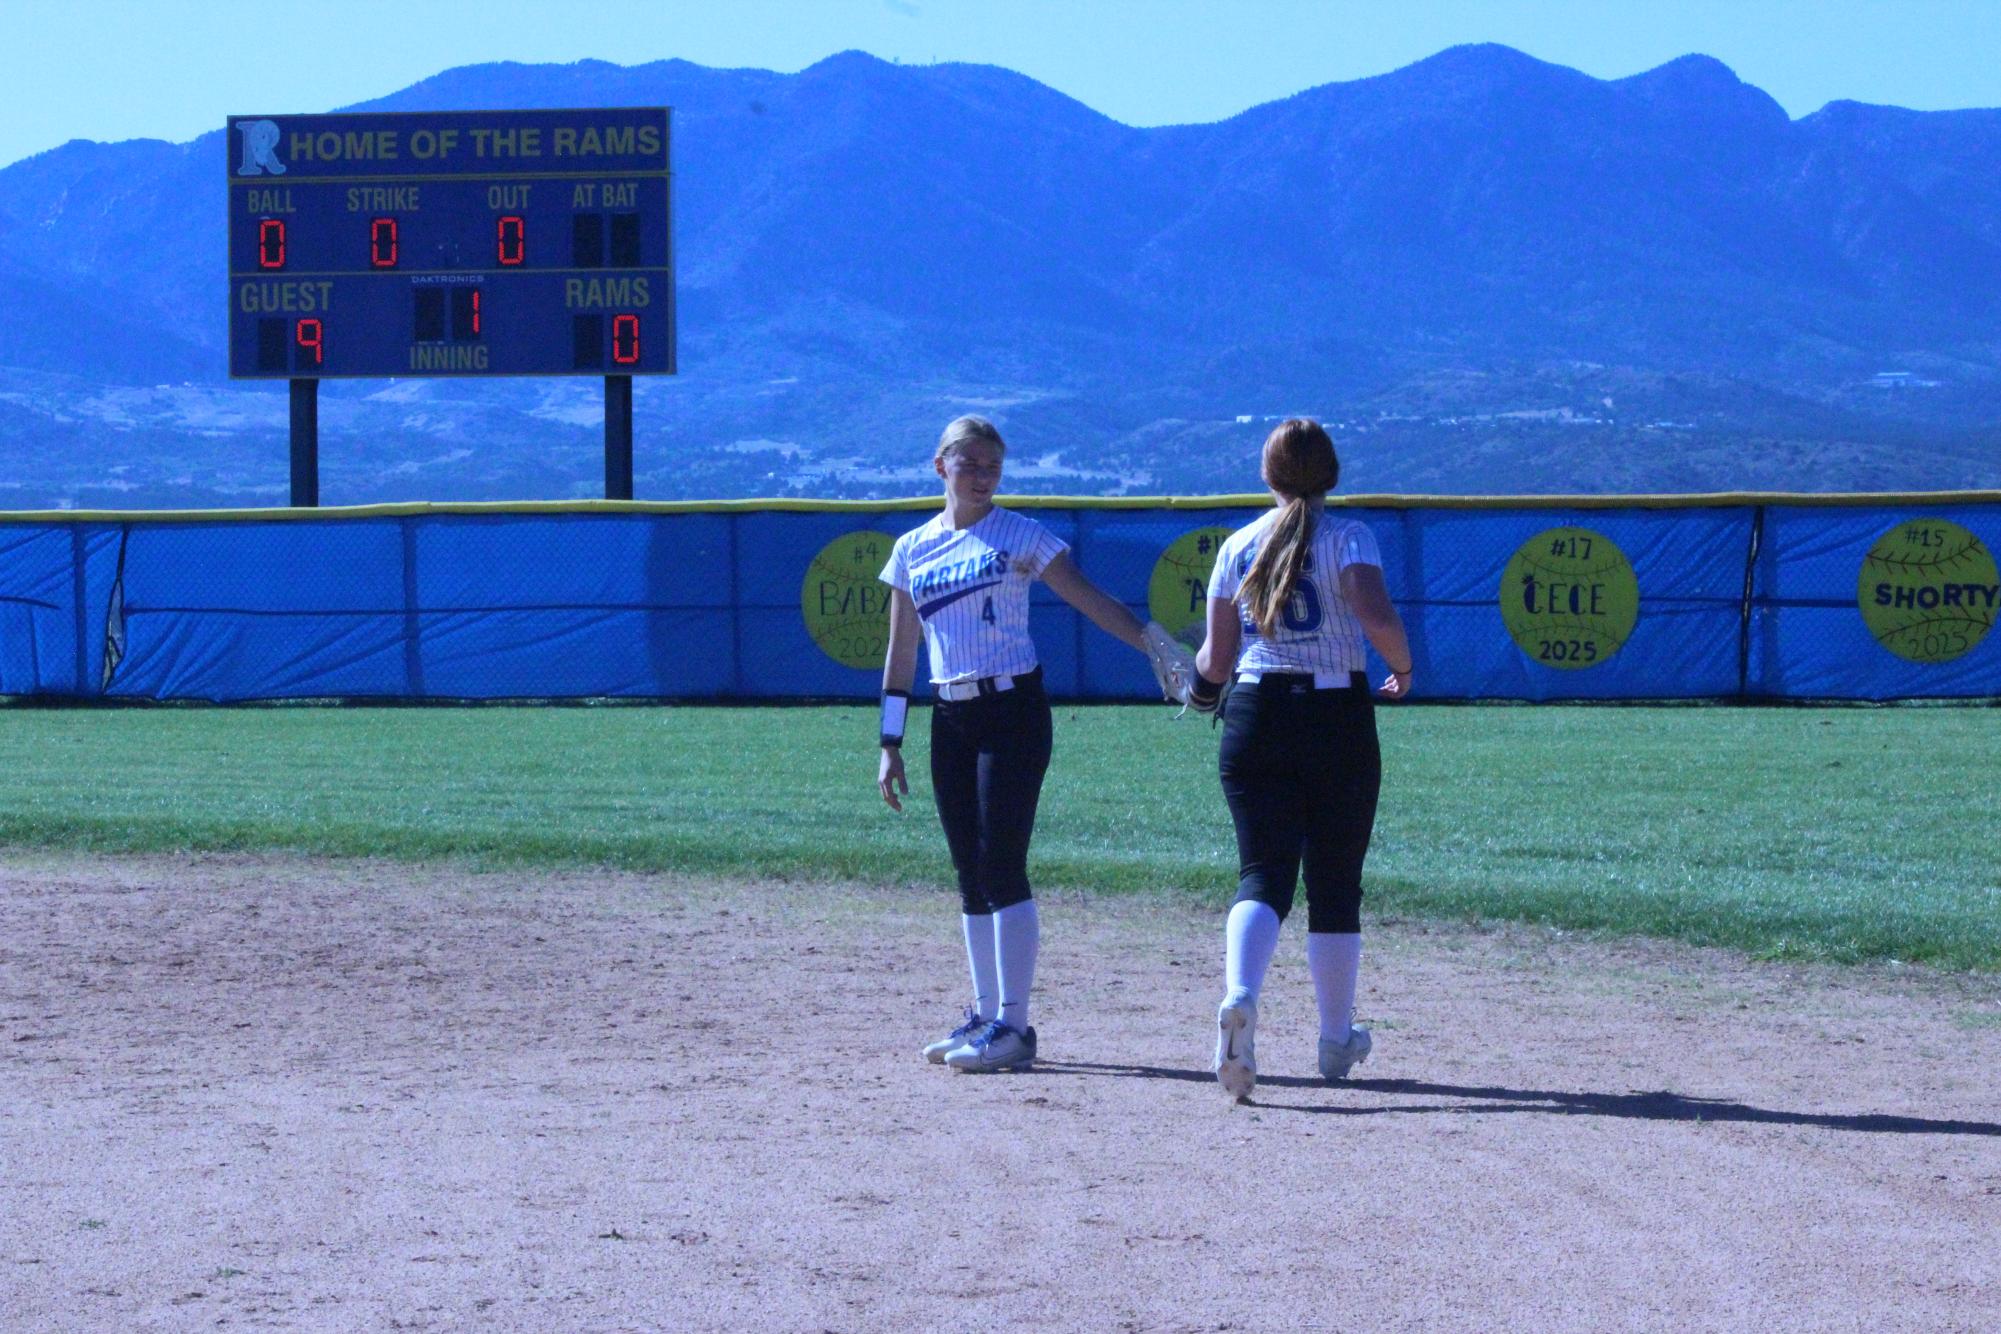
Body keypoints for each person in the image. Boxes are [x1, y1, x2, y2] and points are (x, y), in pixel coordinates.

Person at [876, 415, 1166, 1073]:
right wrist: (888, 741)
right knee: (967, 870)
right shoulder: (911, 550)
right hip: (949, 716)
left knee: (1001, 862)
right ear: (939, 466)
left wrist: (1150, 643)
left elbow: (1087, 598)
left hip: (1012, 709)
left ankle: (1014, 1026)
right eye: (969, 464)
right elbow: (900, 653)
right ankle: (984, 1016)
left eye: (991, 467)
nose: (980, 477)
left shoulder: (1018, 535)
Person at [1185, 418, 1414, 1100]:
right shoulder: (1347, 536)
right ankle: (1335, 1038)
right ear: (1331, 473)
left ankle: (1239, 995)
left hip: (1255, 713)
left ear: (1268, 474)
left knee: (1261, 874)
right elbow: (1373, 614)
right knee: (1334, 879)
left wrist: (1198, 691)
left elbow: (1216, 662)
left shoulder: (1236, 545)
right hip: (1333, 713)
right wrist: (1402, 666)